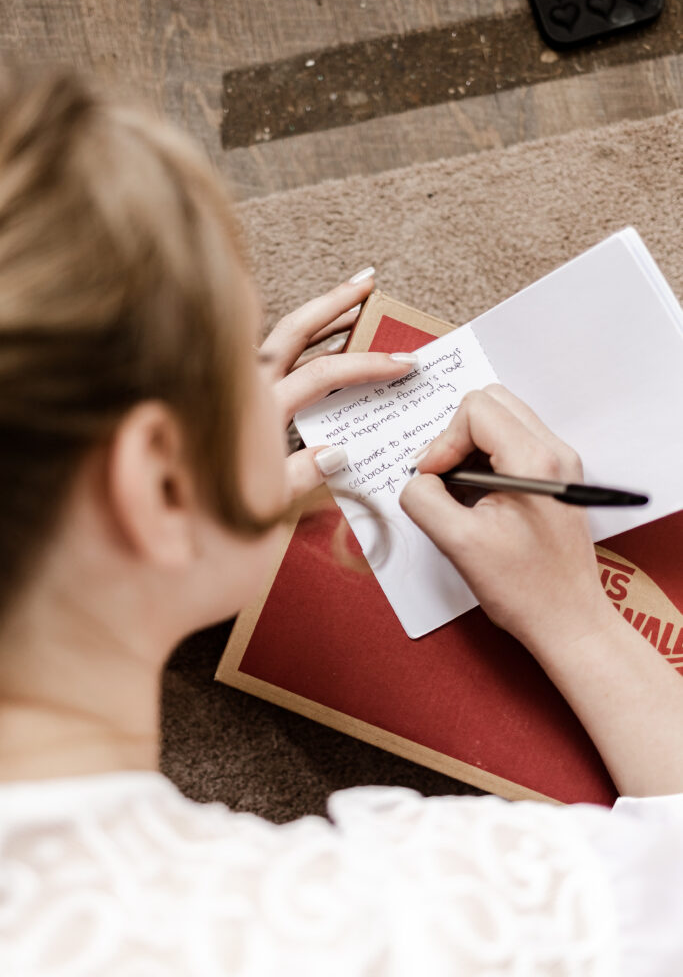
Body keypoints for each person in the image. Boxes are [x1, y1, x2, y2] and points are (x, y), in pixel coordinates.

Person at [0, 65, 681, 977]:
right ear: (150, 483)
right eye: (237, 371)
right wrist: (577, 622)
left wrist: (134, 559)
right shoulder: (354, 927)